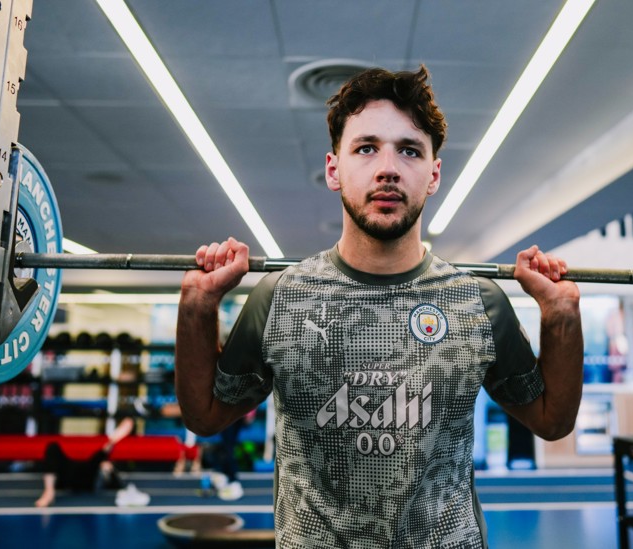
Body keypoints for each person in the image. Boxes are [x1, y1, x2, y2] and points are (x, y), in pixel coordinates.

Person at [175, 65, 584, 547]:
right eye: (366, 148)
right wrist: (197, 307)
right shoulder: (282, 297)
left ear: (433, 175)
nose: (388, 167)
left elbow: (552, 421)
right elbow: (204, 416)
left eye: (408, 150)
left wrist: (561, 317)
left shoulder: (478, 302)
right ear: (334, 169)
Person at [34, 416, 146, 507]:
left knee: (101, 458)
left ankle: (112, 443)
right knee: (52, 447)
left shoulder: (104, 460)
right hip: (67, 475)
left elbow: (116, 483)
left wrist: (108, 472)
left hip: (88, 479)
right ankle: (49, 492)